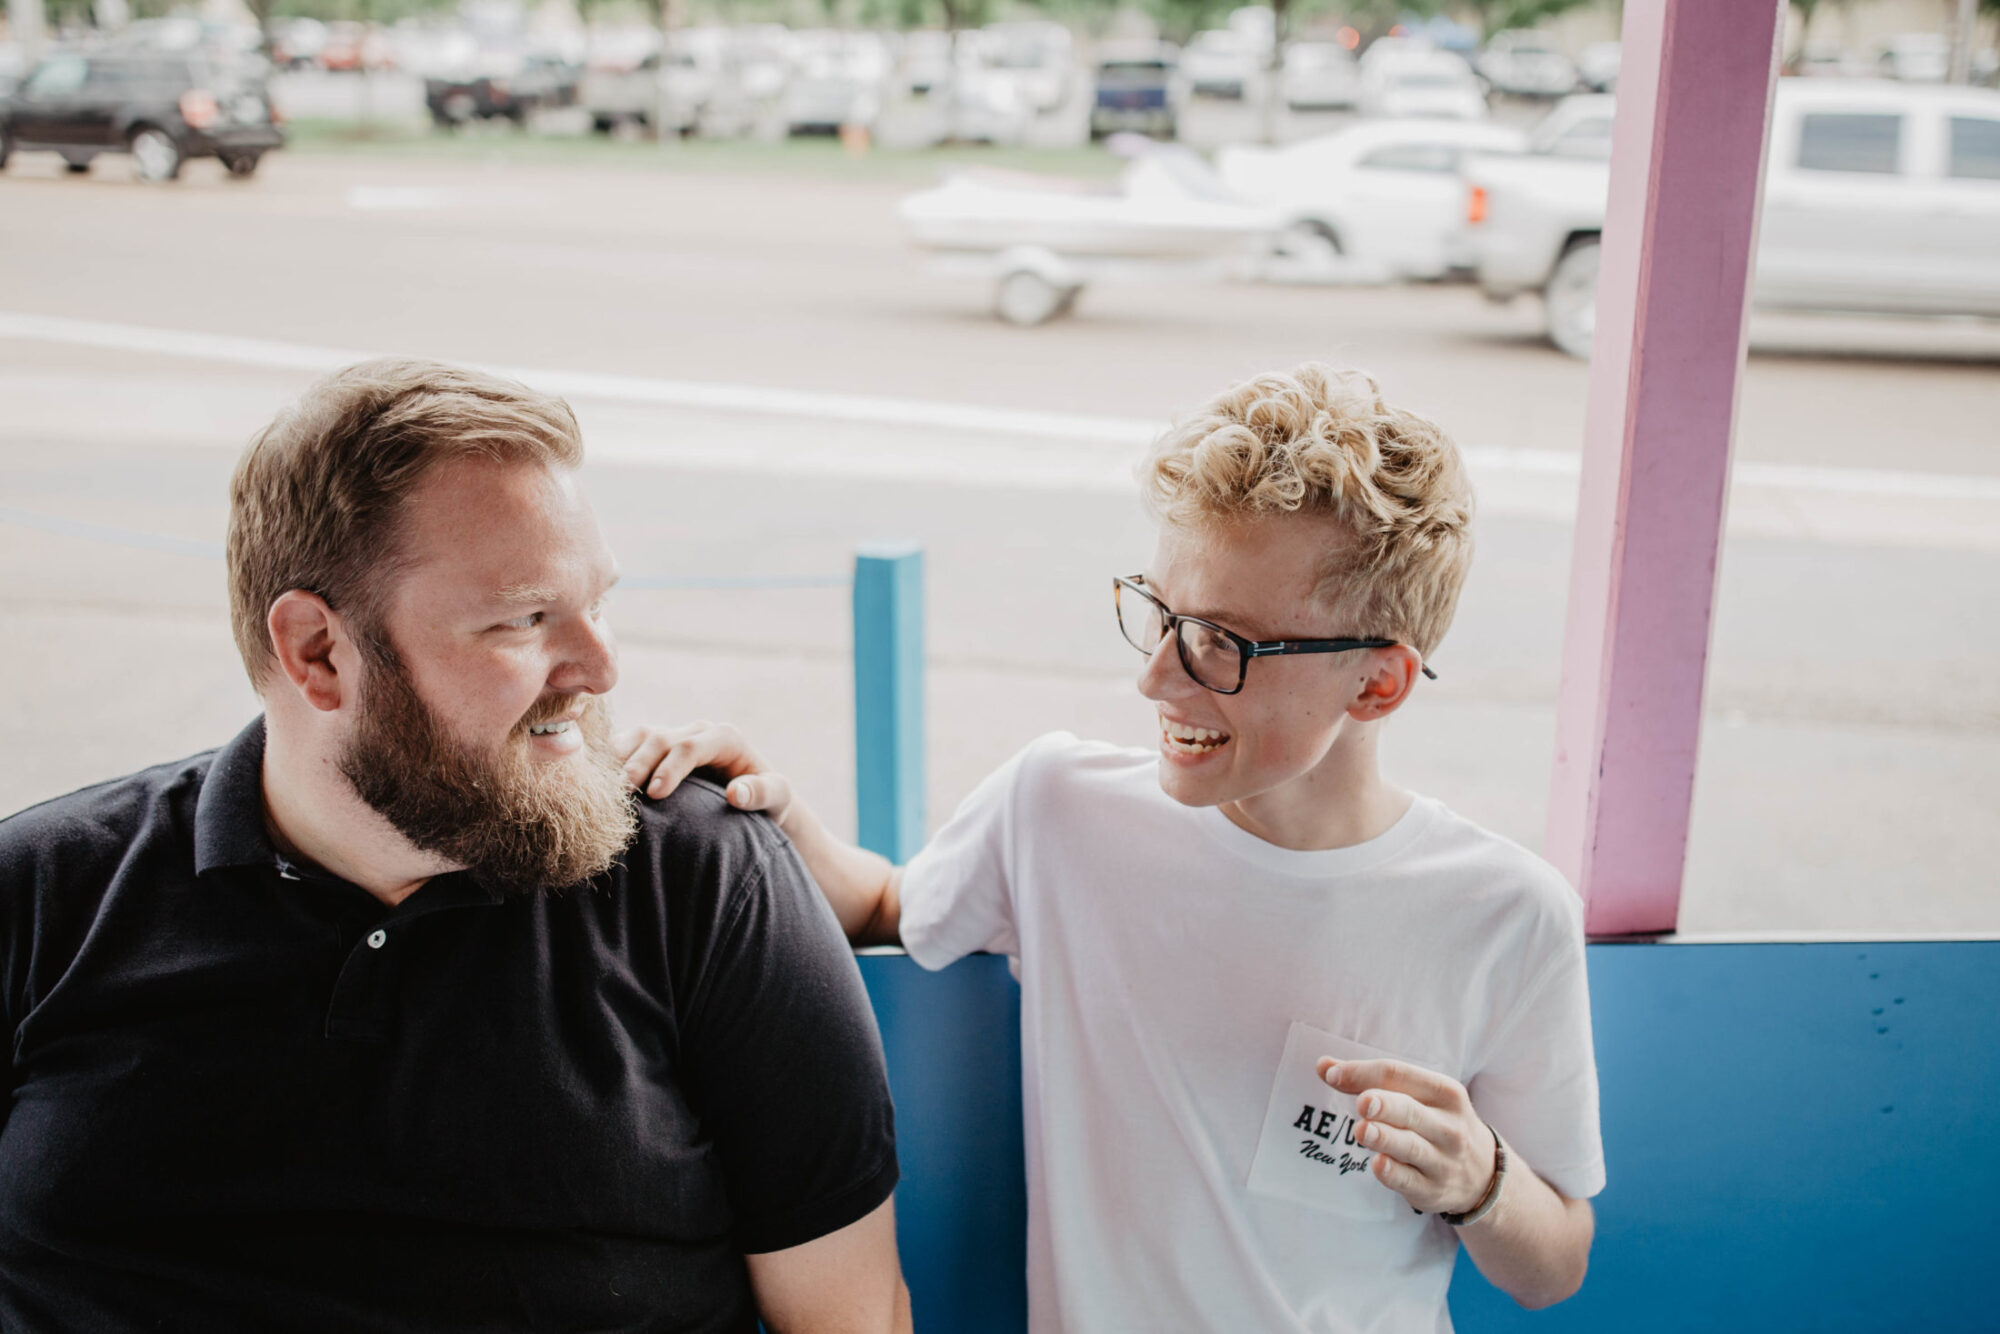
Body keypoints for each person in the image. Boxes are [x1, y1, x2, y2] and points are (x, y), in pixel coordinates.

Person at [629, 365, 1604, 1332]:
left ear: (1377, 684)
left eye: (1220, 642)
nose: (1154, 678)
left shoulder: (1506, 913)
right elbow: (892, 903)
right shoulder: (1055, 806)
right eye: (1161, 613)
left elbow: (1552, 1263)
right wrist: (772, 813)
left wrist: (1480, 1177)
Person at [0, 360, 910, 1334]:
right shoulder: (44, 891)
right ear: (317, 651)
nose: (600, 668)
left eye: (595, 602)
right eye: (521, 618)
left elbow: (849, 1318)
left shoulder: (702, 875)